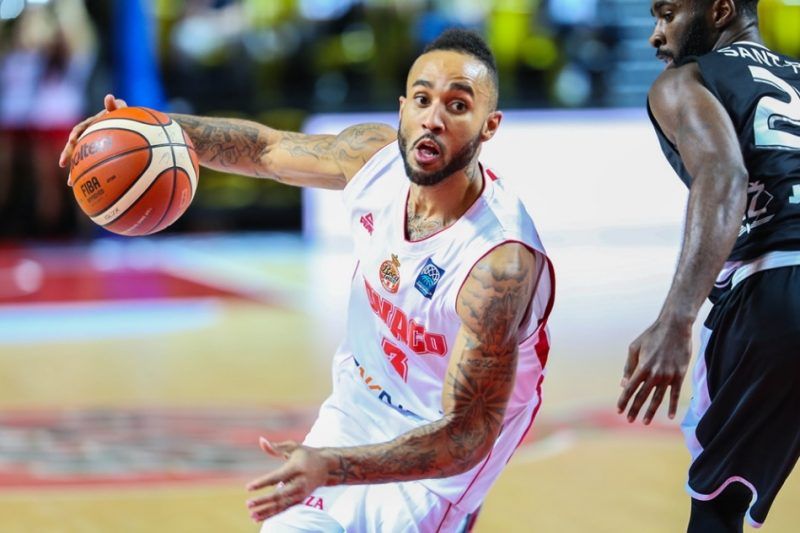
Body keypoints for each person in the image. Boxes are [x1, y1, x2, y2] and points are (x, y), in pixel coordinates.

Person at [60, 29, 554, 532]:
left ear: (489, 126)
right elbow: (266, 150)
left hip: (436, 466)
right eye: (423, 99)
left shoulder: (499, 264)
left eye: (457, 105)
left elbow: (466, 436)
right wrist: (150, 128)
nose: (433, 119)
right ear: (402, 108)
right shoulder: (373, 160)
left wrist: (333, 467)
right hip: (354, 412)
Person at [617, 1, 799, 531]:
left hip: (777, 283)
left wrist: (676, 319)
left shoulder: (685, 80)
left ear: (720, 10)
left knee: (718, 504)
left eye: (668, 14)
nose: (656, 35)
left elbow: (723, 177)